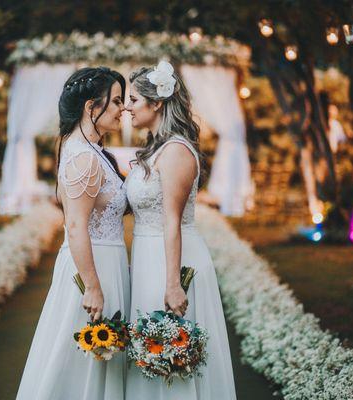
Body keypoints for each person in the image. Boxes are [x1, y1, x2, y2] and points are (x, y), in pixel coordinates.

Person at [124, 61, 237, 399]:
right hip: (148, 258)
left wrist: (173, 284)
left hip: (173, 261)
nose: (127, 108)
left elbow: (171, 219)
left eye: (132, 100)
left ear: (156, 103)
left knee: (171, 353)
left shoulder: (176, 151)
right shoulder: (156, 148)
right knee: (150, 353)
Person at [16, 67, 129, 400]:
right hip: (93, 268)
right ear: (91, 107)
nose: (123, 109)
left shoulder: (90, 150)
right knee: (81, 360)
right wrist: (93, 287)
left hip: (107, 260)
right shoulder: (84, 157)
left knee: (98, 359)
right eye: (117, 101)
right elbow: (76, 225)